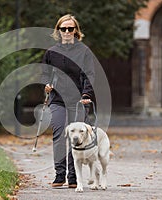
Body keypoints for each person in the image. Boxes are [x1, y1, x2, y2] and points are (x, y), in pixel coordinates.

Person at [41, 14, 96, 188]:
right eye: (63, 28)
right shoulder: (51, 52)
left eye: (70, 28)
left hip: (78, 101)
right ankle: (59, 175)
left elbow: (90, 75)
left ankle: (73, 177)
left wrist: (86, 95)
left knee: (76, 137)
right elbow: (44, 73)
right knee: (58, 133)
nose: (66, 31)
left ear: (75, 31)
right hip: (57, 100)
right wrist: (46, 85)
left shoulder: (84, 51)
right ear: (58, 31)